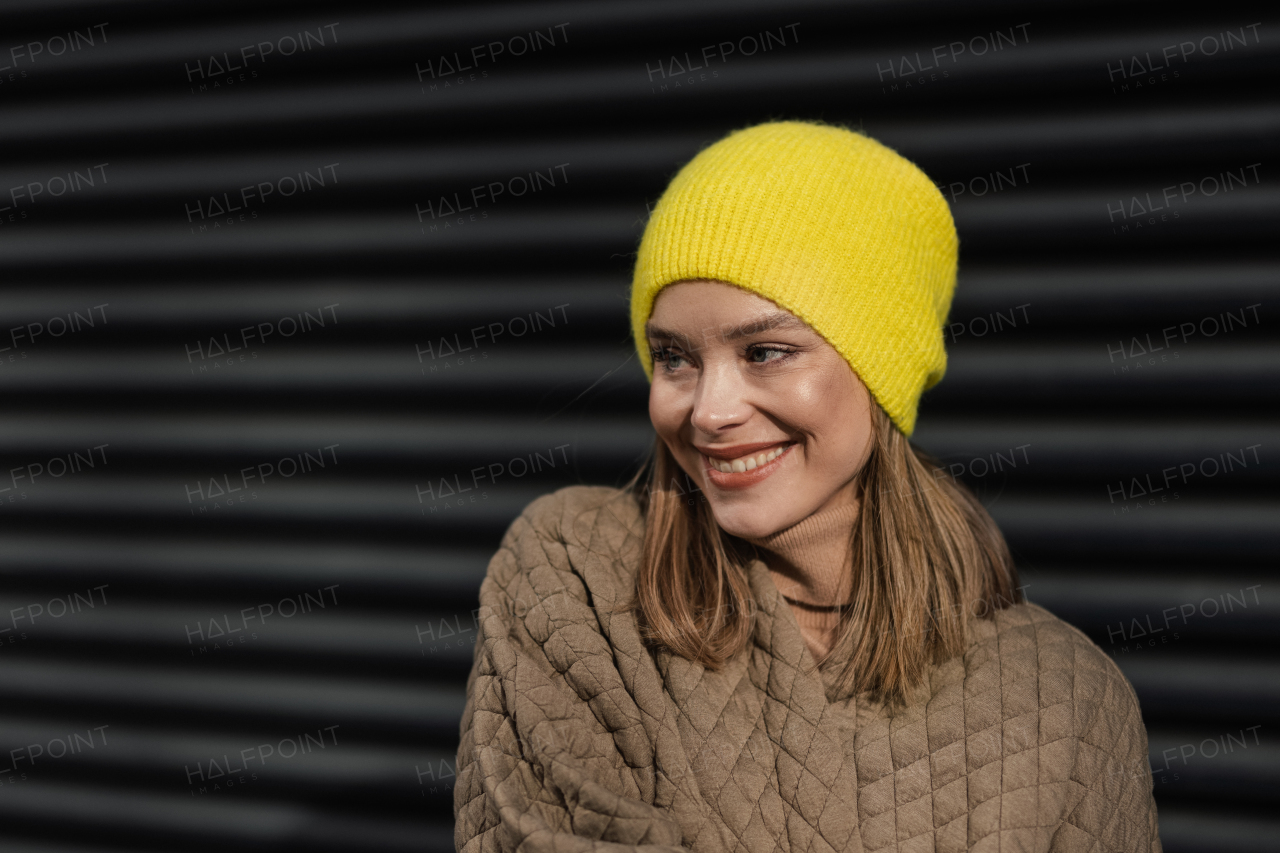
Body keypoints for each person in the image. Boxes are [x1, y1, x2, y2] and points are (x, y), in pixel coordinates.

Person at [454, 120, 1161, 852]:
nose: (710, 410)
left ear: (880, 368)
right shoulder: (574, 577)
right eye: (673, 357)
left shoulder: (1067, 696)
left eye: (765, 351)